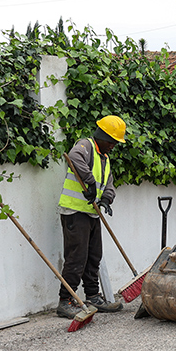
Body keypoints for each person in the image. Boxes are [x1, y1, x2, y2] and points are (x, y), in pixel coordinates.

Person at [56, 115, 126, 318]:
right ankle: (65, 301)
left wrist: (106, 199)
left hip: (91, 213)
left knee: (94, 256)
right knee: (77, 257)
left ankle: (93, 296)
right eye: (111, 141)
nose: (113, 146)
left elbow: (109, 183)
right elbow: (73, 157)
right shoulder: (85, 146)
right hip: (74, 212)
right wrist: (89, 181)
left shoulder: (105, 158)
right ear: (101, 135)